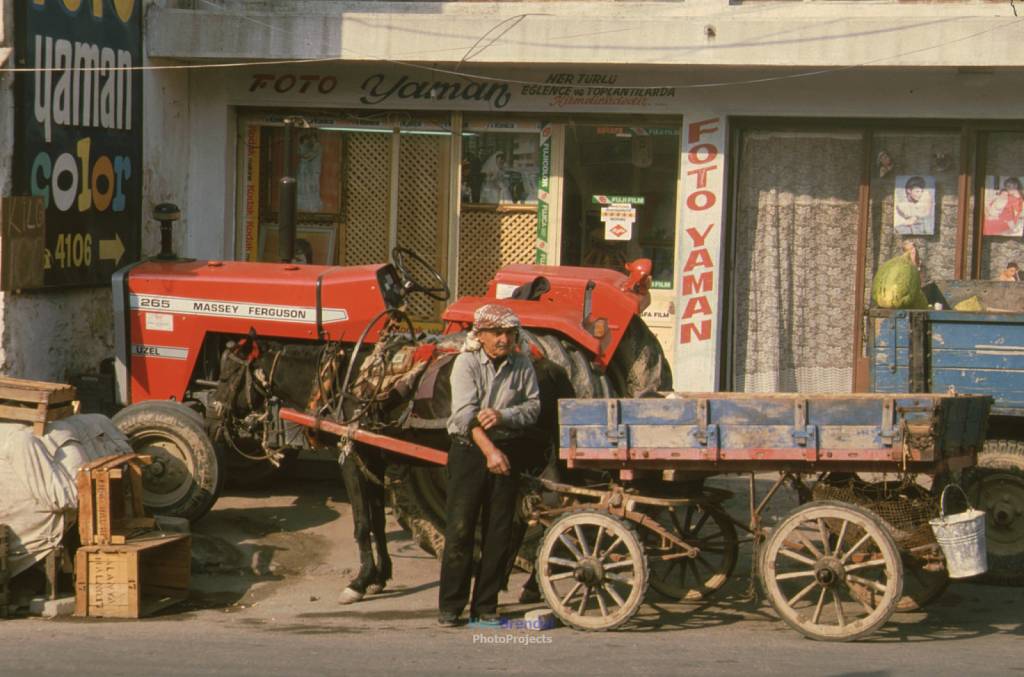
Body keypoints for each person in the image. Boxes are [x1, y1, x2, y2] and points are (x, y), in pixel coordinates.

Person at [437, 304, 540, 627]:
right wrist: (490, 451)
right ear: (480, 335)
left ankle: (485, 606)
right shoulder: (465, 364)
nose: (503, 339)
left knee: (499, 531)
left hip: (507, 450)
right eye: (496, 333)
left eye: (509, 333)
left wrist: (504, 415)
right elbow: (465, 416)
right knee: (460, 529)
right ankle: (451, 606)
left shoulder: (522, 365)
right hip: (470, 452)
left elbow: (533, 407)